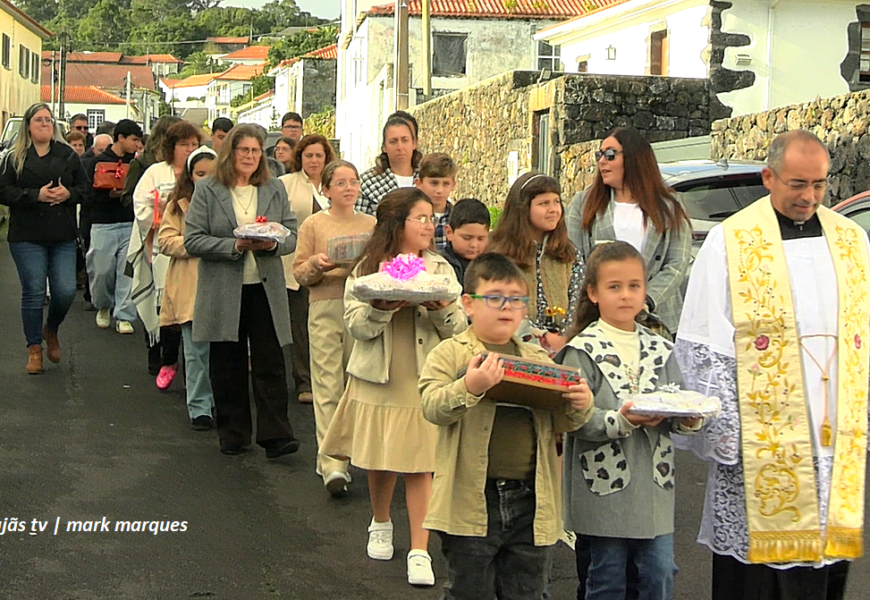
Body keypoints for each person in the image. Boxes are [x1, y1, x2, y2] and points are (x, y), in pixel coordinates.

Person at [675, 130, 869, 600]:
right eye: (798, 184)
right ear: (768, 177)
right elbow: (704, 341)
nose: (810, 197)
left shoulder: (851, 240)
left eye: (819, 185)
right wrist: (729, 434)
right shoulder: (731, 241)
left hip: (833, 439)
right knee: (757, 580)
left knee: (825, 565)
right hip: (760, 442)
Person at [419, 252, 594, 600]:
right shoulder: (450, 353)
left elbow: (564, 422)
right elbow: (432, 406)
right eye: (495, 298)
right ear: (468, 304)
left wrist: (581, 403)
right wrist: (470, 386)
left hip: (532, 497)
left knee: (527, 590)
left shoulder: (537, 359)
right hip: (471, 496)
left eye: (516, 300)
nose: (507, 307)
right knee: (470, 589)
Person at [320, 188, 466, 587]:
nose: (429, 225)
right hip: (378, 377)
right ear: (397, 224)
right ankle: (380, 522)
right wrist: (380, 308)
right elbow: (356, 326)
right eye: (420, 218)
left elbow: (460, 329)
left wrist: (442, 311)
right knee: (381, 458)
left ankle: (420, 549)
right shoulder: (367, 269)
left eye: (430, 218)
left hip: (424, 377)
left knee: (422, 464)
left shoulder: (440, 269)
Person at [557, 241, 702, 600]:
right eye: (614, 287)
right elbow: (571, 417)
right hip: (602, 487)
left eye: (634, 286)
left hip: (654, 487)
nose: (625, 295)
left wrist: (689, 418)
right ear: (592, 292)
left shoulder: (660, 348)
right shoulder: (581, 350)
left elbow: (677, 401)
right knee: (607, 578)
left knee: (659, 573)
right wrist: (620, 420)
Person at [185, 124, 300, 459]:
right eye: (243, 150)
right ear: (230, 152)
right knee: (228, 364)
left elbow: (291, 233)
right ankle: (233, 434)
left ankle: (277, 436)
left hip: (264, 287)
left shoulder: (273, 188)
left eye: (255, 151)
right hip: (224, 287)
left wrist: (271, 244)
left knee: (270, 362)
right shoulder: (208, 189)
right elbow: (193, 239)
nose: (249, 156)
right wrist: (234, 244)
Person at [293, 159, 376, 495]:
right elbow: (299, 272)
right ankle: (332, 463)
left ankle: (357, 452)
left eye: (353, 182)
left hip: (363, 305)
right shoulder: (314, 224)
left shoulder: (372, 224)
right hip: (324, 303)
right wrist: (316, 263)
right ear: (325, 189)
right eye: (340, 183)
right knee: (327, 381)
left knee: (358, 382)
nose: (348, 188)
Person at [566, 127, 692, 338]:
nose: (602, 161)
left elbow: (677, 263)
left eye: (610, 154)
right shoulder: (583, 203)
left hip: (659, 322)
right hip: (600, 322)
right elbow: (574, 260)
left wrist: (645, 300)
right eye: (600, 154)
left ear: (634, 158)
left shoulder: (669, 206)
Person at [0, 103, 89, 373]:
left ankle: (51, 329)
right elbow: (4, 192)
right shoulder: (14, 157)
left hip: (61, 233)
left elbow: (86, 189)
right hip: (26, 233)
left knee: (64, 292)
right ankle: (34, 349)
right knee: (34, 292)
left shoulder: (67, 155)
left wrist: (68, 195)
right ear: (28, 124)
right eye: (39, 120)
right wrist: (34, 195)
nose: (44, 124)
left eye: (49, 120)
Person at [130, 120, 201, 385]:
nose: (189, 149)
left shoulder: (204, 172)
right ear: (171, 147)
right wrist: (158, 218)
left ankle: (192, 364)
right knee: (164, 303)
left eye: (194, 144)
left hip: (196, 252)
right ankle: (161, 354)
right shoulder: (155, 173)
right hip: (161, 248)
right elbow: (140, 204)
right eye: (184, 145)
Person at [489, 172, 585, 354]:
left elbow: (578, 301)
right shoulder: (500, 255)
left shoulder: (569, 254)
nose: (553, 209)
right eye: (544, 203)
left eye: (556, 202)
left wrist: (564, 339)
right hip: (514, 347)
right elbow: (499, 304)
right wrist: (539, 336)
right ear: (523, 209)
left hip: (563, 348)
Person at [158, 146, 218, 431]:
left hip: (221, 283)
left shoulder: (228, 203)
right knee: (195, 350)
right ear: (191, 176)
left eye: (212, 174)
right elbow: (166, 240)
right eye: (200, 174)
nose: (205, 180)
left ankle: (220, 399)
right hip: (189, 284)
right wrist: (197, 245)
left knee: (221, 351)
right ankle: (199, 407)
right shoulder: (178, 204)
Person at [279, 134, 336, 403]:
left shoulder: (336, 184)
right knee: (300, 327)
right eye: (309, 155)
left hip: (333, 269)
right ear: (299, 157)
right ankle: (304, 382)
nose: (314, 160)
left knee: (328, 326)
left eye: (319, 155)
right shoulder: (285, 184)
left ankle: (330, 380)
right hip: (297, 266)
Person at [83, 119, 143, 335]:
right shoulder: (95, 162)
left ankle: (125, 314)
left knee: (126, 270)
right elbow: (85, 193)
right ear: (121, 138)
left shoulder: (138, 164)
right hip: (102, 223)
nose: (137, 144)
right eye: (134, 139)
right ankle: (103, 304)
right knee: (101, 270)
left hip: (129, 222)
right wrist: (105, 195)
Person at [356, 116, 421, 216]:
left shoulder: (426, 179)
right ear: (384, 147)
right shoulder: (367, 183)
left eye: (405, 140)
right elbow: (357, 222)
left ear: (414, 143)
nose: (400, 147)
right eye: (393, 142)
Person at [441, 198, 490, 290]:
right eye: (467, 238)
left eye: (481, 238)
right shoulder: (440, 265)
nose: (474, 245)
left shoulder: (491, 265)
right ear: (449, 232)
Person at [415, 153, 457, 251]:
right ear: (419, 183)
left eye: (446, 184)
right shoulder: (411, 218)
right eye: (434, 183)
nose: (440, 190)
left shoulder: (456, 218)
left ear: (453, 185)